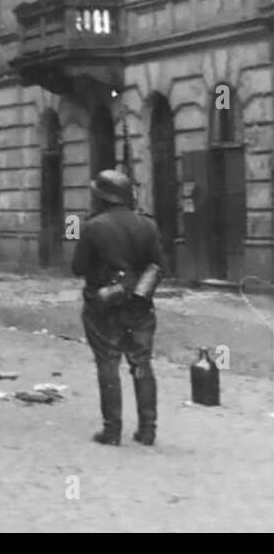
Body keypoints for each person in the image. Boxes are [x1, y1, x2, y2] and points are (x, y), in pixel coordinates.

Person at [72, 168, 165, 446]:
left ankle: (112, 430)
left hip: (104, 306)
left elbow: (78, 268)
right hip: (140, 304)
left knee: (108, 363)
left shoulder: (92, 227)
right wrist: (137, 291)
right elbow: (159, 266)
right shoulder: (147, 224)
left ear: (101, 197)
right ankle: (147, 429)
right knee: (141, 363)